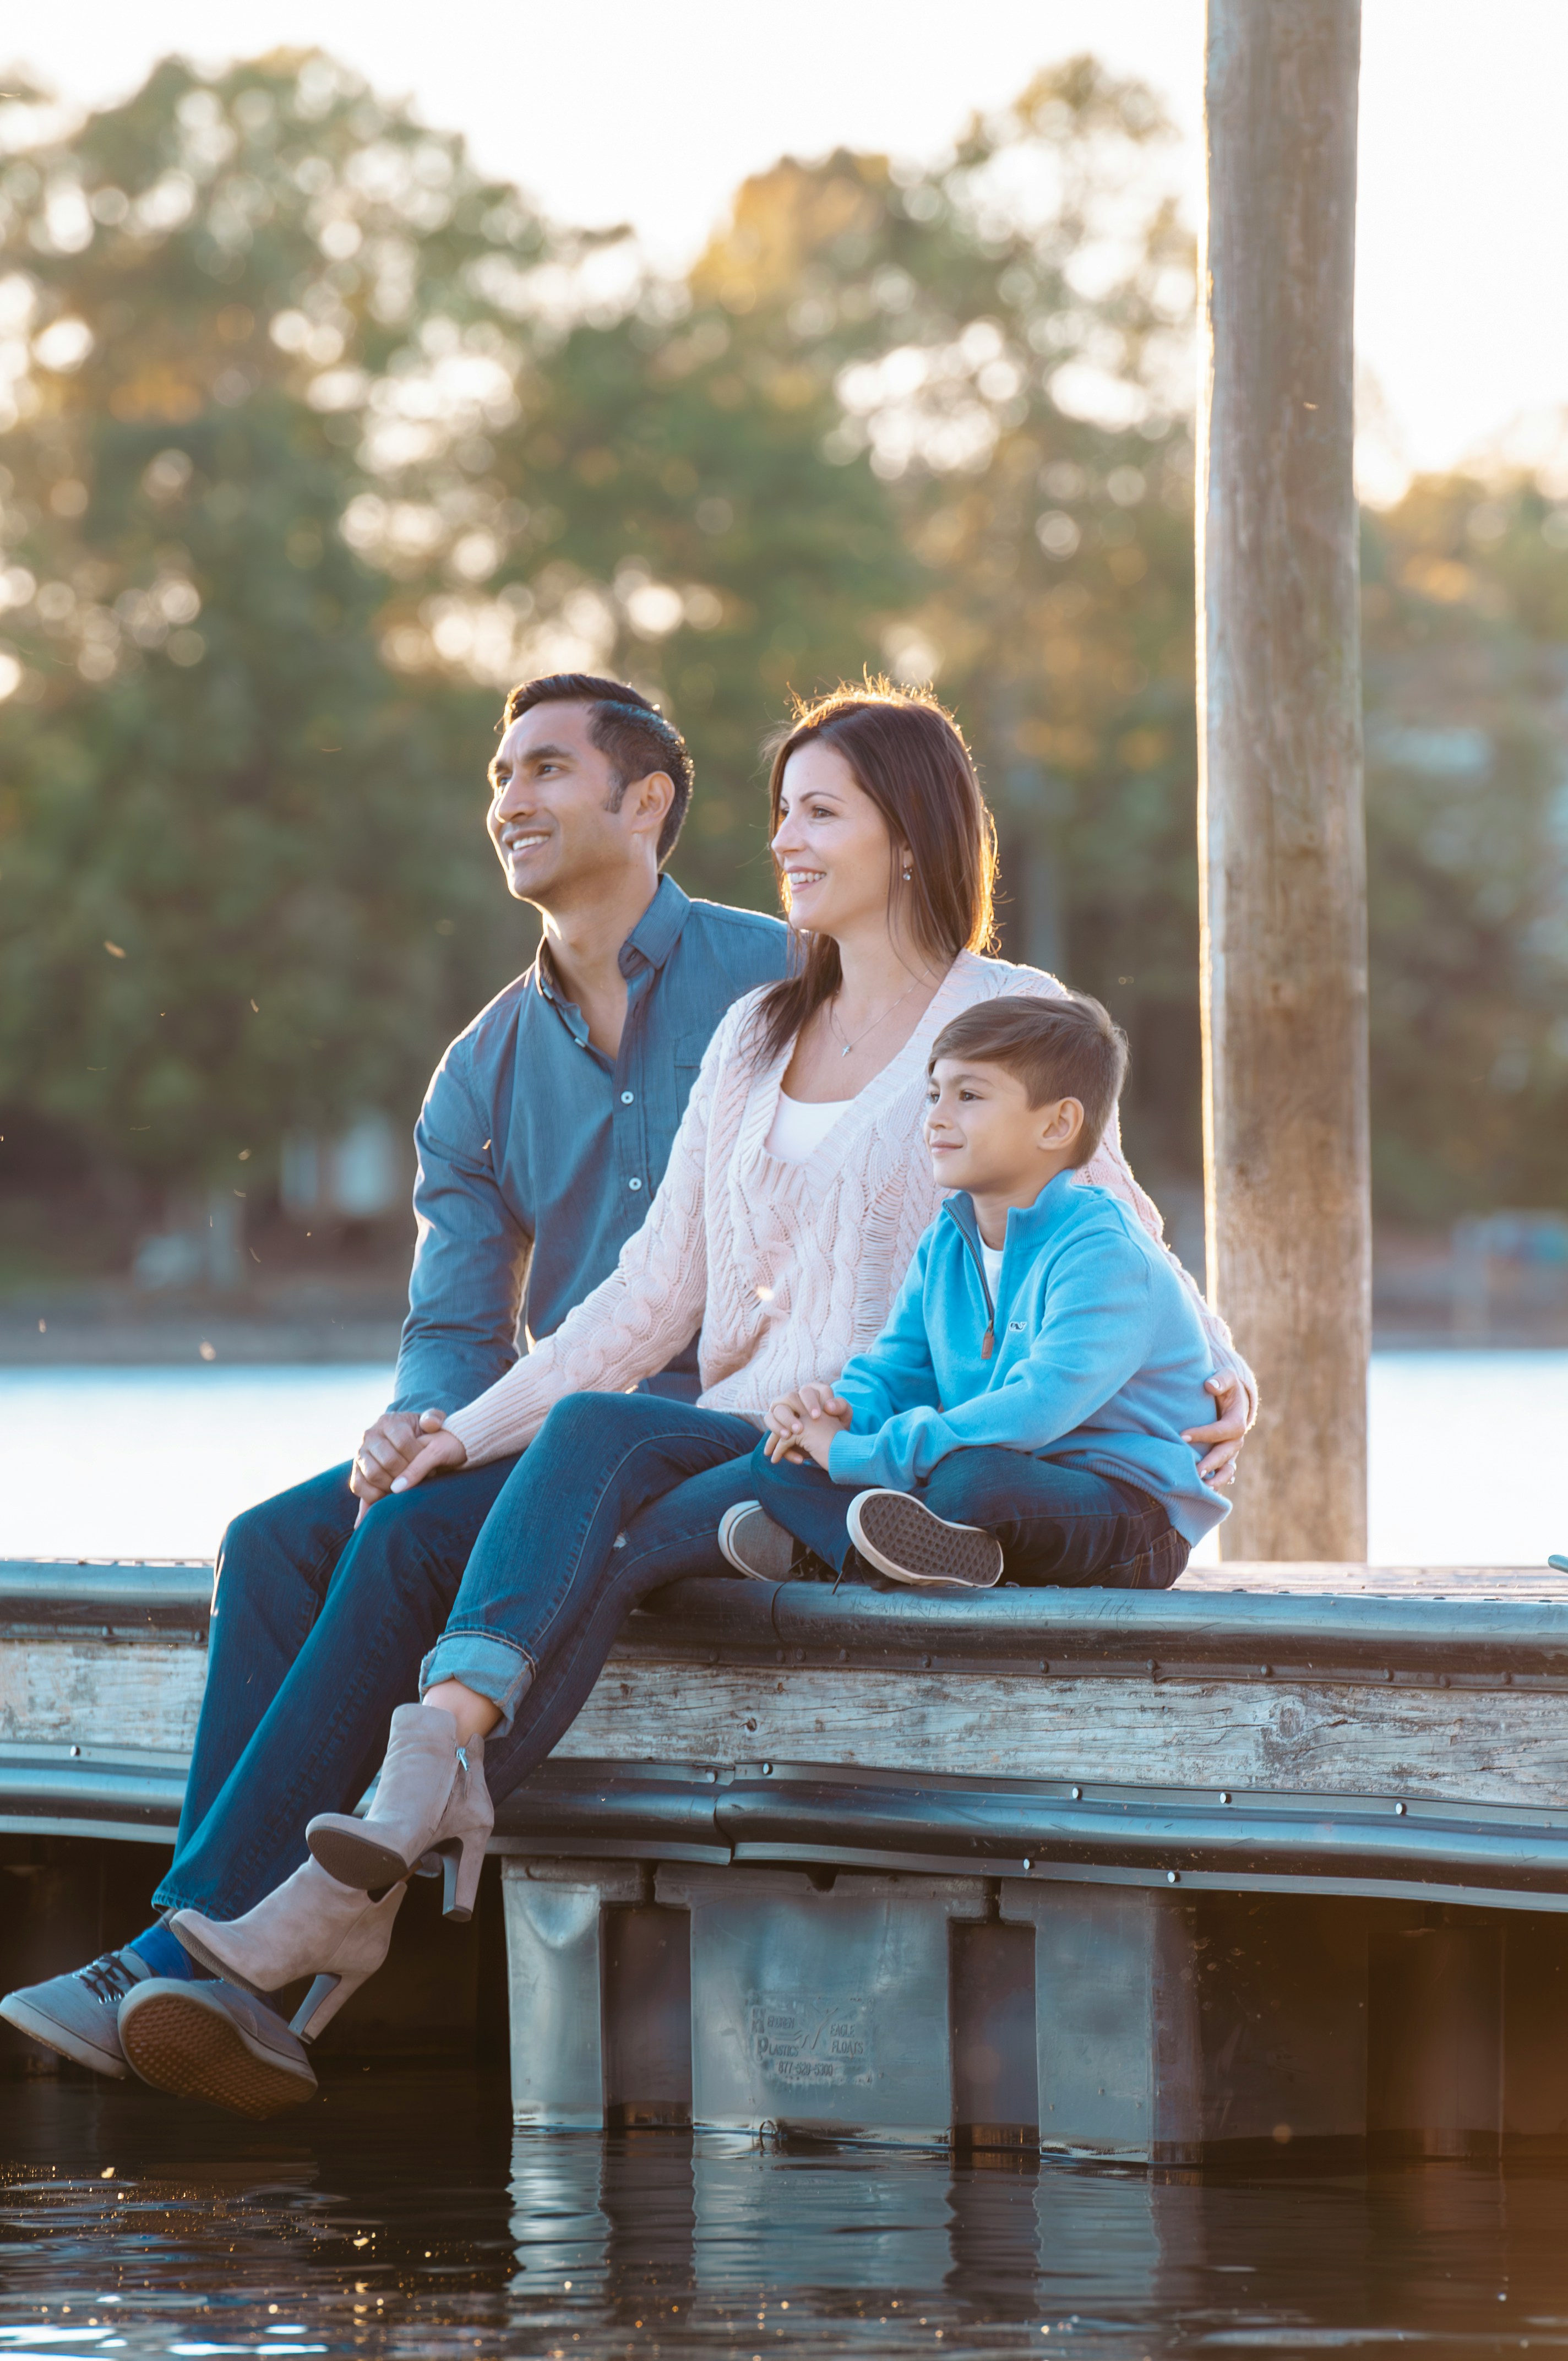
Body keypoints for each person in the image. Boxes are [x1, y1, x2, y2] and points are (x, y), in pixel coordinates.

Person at [113, 682, 1254, 2118]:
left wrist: (1228, 1364)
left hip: (872, 1443)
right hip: (747, 1433)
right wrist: (461, 1430)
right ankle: (366, 1849)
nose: (783, 840)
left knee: (613, 1468)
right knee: (550, 1463)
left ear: (909, 835)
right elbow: (650, 1297)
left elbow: (1118, 1217)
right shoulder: (758, 1031)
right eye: (780, 811)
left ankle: (382, 1844)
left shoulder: (1007, 1019)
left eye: (819, 811)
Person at [0, 673, 786, 2087]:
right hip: (544, 1418)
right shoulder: (479, 1067)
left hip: (720, 1418)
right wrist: (419, 1415)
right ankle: (220, 1947)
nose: (509, 802)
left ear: (646, 800)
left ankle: (184, 1955)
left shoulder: (777, 982)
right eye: (497, 777)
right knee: (283, 1534)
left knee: (419, 1532)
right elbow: (455, 1315)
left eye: (545, 769)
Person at [740, 991, 1229, 1593]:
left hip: (1128, 1511)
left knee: (972, 1483)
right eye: (933, 1094)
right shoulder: (947, 1241)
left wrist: (854, 1453)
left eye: (968, 1096)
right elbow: (894, 1371)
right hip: (1006, 1469)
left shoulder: (1106, 1253)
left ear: (1057, 1124)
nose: (937, 1116)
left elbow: (1034, 1407)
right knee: (780, 1460)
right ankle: (912, 1555)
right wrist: (837, 1415)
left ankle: (828, 1550)